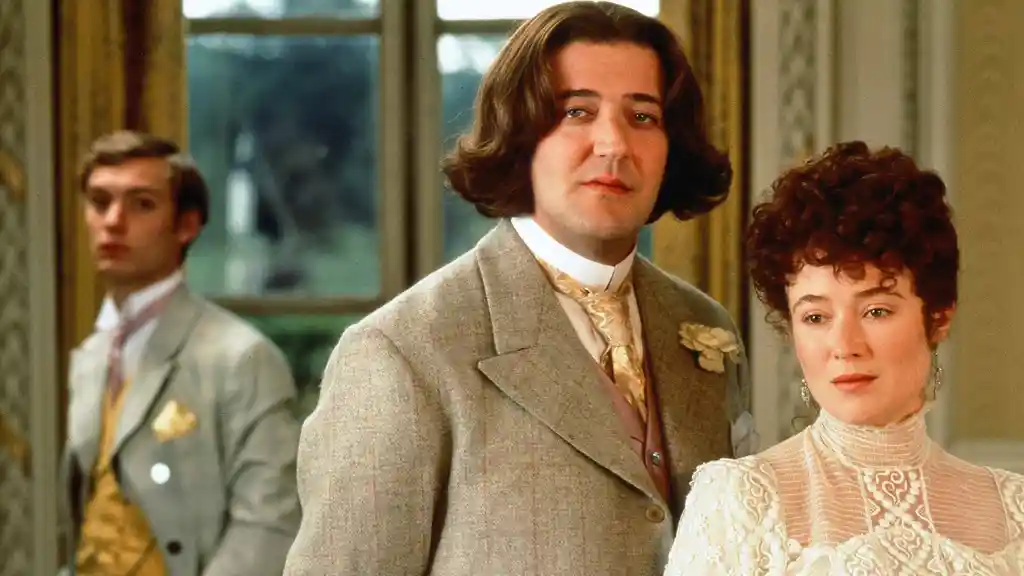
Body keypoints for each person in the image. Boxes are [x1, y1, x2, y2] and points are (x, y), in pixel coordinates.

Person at [284, 2, 754, 574]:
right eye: (577, 111)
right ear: (519, 132)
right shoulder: (402, 352)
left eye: (643, 116)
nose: (613, 144)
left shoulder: (703, 326)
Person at [663, 141, 1024, 574]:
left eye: (876, 311)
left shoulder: (1014, 511)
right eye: (815, 317)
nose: (845, 344)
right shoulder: (739, 501)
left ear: (938, 318)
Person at [60, 130, 301, 576]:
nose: (113, 221)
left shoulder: (241, 358)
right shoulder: (90, 357)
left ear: (187, 225)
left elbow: (268, 525)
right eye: (99, 201)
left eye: (141, 204)